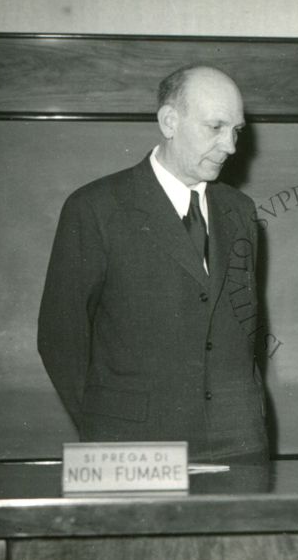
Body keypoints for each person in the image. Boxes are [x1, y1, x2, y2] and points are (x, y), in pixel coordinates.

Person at [38, 66, 268, 462]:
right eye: (215, 127)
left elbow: (244, 330)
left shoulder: (240, 211)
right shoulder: (95, 208)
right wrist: (103, 432)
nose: (230, 146)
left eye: (236, 130)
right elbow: (60, 338)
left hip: (239, 441)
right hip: (134, 446)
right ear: (169, 121)